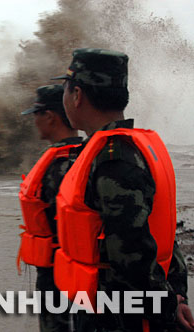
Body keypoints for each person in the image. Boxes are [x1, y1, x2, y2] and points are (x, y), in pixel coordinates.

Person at [51, 48, 194, 332]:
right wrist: (176, 293)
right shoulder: (133, 148)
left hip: (114, 316)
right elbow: (163, 235)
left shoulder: (112, 159)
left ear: (77, 95)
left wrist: (166, 308)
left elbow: (130, 252)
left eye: (65, 90)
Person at [18, 84, 82, 331]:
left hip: (59, 273)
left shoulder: (59, 165)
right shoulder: (87, 156)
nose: (34, 120)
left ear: (50, 116)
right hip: (79, 273)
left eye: (37, 114)